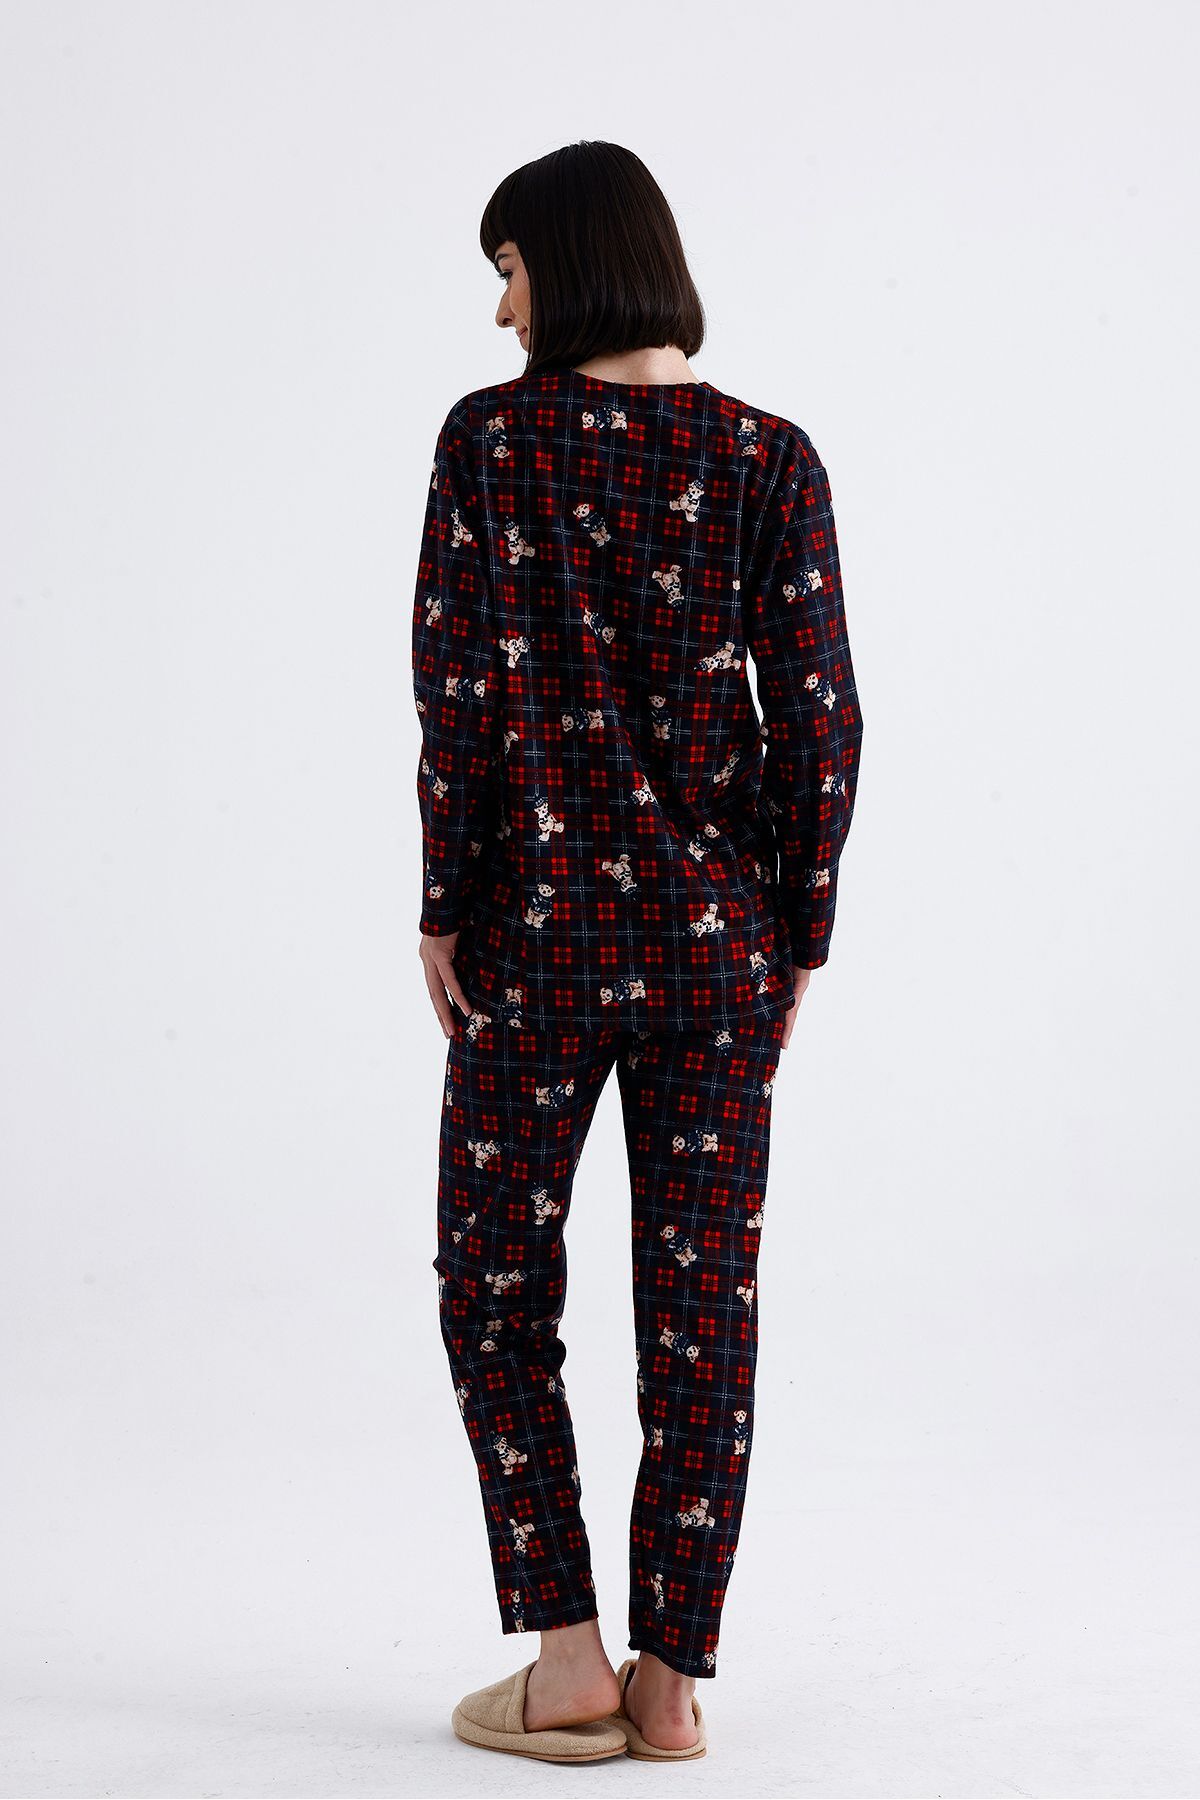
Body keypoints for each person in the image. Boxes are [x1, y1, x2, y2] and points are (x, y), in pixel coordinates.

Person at [411, 140, 864, 1764]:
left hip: (533, 945)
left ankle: (567, 1663)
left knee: (495, 1285)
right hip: (717, 956)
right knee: (702, 1303)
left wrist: (443, 902)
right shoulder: (769, 457)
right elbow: (822, 721)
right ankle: (672, 1685)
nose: (504, 309)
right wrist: (798, 929)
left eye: (510, 270)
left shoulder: (491, 443)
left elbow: (457, 698)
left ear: (574, 261)